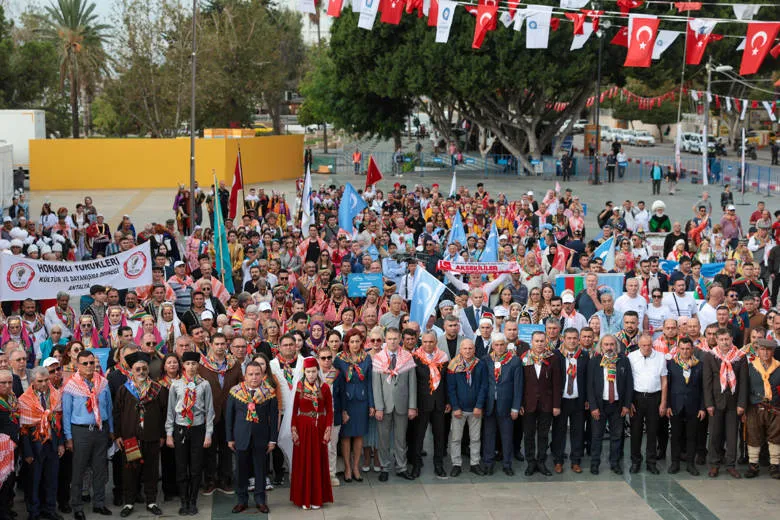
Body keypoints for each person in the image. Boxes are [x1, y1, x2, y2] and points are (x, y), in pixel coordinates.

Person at [113, 352, 166, 517]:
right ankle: (129, 503)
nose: (141, 372)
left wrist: (163, 434)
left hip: (152, 436)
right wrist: (118, 435)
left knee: (151, 470)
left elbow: (164, 413)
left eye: (144, 368)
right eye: (138, 369)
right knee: (130, 470)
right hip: (130, 438)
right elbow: (117, 413)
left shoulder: (158, 389)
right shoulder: (124, 389)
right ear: (132, 371)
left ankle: (151, 501)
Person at [62, 350, 113, 520]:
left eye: (92, 363)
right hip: (80, 431)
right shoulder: (70, 385)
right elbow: (66, 414)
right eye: (85, 363)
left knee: (100, 469)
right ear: (77, 365)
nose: (89, 366)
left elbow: (109, 409)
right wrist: (68, 437)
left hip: (100, 429)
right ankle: (77, 506)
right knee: (79, 470)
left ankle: (99, 503)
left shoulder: (103, 383)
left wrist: (111, 430)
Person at [225, 361, 278, 514]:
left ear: (263, 375)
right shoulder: (235, 392)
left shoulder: (269, 392)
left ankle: (261, 500)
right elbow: (229, 417)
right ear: (244, 376)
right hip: (240, 438)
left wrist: (273, 439)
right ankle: (242, 500)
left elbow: (274, 418)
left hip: (261, 438)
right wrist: (230, 438)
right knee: (240, 470)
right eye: (251, 374)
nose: (254, 377)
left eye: (257, 374)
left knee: (261, 470)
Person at [165, 351, 214, 516]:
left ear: (198, 365)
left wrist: (208, 434)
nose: (191, 367)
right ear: (183, 366)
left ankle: (193, 500)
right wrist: (169, 434)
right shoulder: (176, 385)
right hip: (180, 429)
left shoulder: (204, 384)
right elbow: (171, 412)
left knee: (196, 467)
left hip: (198, 428)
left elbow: (210, 411)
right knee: (181, 467)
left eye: (194, 363)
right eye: (188, 364)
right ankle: (183, 500)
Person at [198, 333, 243, 494]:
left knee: (227, 449)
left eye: (223, 344)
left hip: (229, 414)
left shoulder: (234, 364)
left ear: (227, 345)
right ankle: (210, 480)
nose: (220, 347)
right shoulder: (202, 365)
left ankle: (225, 480)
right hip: (208, 414)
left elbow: (240, 387)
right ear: (210, 344)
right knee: (209, 450)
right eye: (216, 344)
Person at [371, 327, 417, 482]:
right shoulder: (378, 358)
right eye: (390, 338)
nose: (392, 341)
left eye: (395, 338)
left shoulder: (407, 357)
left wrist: (412, 406)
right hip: (384, 405)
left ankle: (401, 467)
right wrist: (378, 407)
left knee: (400, 438)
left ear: (400, 340)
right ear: (385, 339)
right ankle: (384, 466)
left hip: (402, 404)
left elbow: (412, 384)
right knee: (383, 439)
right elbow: (376, 386)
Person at [19, 366, 64, 520]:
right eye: (40, 381)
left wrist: (60, 444)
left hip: (52, 445)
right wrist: (27, 453)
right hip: (34, 447)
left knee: (51, 480)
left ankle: (50, 510)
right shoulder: (24, 400)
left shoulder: (56, 395)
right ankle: (34, 512)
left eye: (46, 380)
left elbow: (59, 422)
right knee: (34, 482)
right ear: (33, 381)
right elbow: (23, 429)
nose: (44, 384)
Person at [703, 328, 748, 479]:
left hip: (733, 403)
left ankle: (730, 465)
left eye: (727, 339)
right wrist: (708, 403)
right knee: (715, 435)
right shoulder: (710, 356)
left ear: (731, 340)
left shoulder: (740, 357)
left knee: (731, 435)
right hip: (716, 402)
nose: (724, 342)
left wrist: (741, 403)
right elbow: (707, 382)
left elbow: (743, 383)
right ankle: (714, 464)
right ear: (716, 340)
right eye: (721, 339)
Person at [290, 357, 333, 510]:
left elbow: (329, 411)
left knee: (318, 461)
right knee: (303, 461)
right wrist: (294, 429)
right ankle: (303, 498)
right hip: (303, 428)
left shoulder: (325, 388)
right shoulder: (300, 387)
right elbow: (294, 410)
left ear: (318, 371)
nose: (311, 374)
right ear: (304, 372)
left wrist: (328, 429)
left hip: (319, 427)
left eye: (314, 371)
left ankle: (317, 497)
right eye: (308, 372)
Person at [587, 335, 633, 475]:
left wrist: (626, 405)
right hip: (600, 405)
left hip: (618, 405)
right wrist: (593, 406)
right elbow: (590, 386)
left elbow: (629, 384)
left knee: (617, 435)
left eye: (612, 344)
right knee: (596, 436)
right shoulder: (595, 361)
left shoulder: (623, 360)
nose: (609, 347)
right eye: (606, 344)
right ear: (601, 346)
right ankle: (595, 463)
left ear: (616, 346)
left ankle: (615, 463)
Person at [334, 329, 374, 482]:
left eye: (358, 341)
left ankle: (356, 467)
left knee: (358, 435)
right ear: (347, 343)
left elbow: (369, 382)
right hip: (346, 402)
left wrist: (371, 404)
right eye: (352, 341)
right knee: (345, 436)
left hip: (362, 402)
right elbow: (338, 383)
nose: (355, 344)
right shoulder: (340, 359)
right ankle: (347, 468)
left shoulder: (366, 358)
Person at [520, 331, 561, 476]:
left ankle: (541, 462)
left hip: (547, 404)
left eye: (542, 341)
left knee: (543, 434)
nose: (539, 344)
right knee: (529, 434)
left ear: (546, 342)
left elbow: (557, 383)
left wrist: (556, 405)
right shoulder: (524, 358)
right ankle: (531, 462)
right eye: (536, 341)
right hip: (528, 403)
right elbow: (520, 384)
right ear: (531, 342)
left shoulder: (552, 358)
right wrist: (520, 404)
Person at [482, 333, 523, 476]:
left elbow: (518, 386)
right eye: (496, 345)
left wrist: (515, 407)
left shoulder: (515, 361)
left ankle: (507, 464)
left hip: (506, 406)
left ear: (506, 345)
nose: (499, 347)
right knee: (489, 435)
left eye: (502, 344)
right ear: (492, 346)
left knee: (507, 436)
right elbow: (483, 384)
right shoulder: (486, 360)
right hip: (489, 405)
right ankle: (488, 463)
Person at [411, 332, 450, 479]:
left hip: (439, 404)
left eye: (431, 342)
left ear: (436, 342)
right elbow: (412, 383)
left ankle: (438, 465)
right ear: (422, 342)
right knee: (418, 436)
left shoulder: (443, 357)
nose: (428, 344)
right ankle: (416, 465)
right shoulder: (415, 358)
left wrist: (448, 401)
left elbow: (447, 382)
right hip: (421, 404)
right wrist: (412, 405)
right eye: (425, 342)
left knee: (439, 436)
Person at [446, 338, 488, 477]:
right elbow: (451, 389)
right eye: (465, 348)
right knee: (456, 438)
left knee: (475, 438)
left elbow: (484, 386)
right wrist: (455, 407)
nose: (468, 351)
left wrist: (479, 405)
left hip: (475, 409)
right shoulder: (453, 366)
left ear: (474, 350)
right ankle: (456, 464)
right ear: (460, 350)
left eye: (470, 348)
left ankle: (474, 463)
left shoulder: (480, 365)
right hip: (459, 409)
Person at [551, 328, 589, 474]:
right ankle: (558, 460)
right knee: (558, 431)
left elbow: (588, 380)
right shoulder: (556, 355)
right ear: (563, 339)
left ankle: (576, 461)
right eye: (569, 338)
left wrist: (587, 399)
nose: (572, 341)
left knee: (578, 431)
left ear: (578, 339)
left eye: (575, 338)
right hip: (561, 400)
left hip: (578, 400)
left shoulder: (584, 356)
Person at [666, 337, 705, 476]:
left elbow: (703, 389)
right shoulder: (671, 364)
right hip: (676, 405)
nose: (685, 351)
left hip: (693, 407)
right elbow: (668, 386)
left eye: (687, 348)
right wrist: (668, 405)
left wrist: (702, 407)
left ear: (692, 349)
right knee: (675, 436)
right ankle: (675, 463)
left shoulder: (699, 365)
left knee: (692, 436)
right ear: (678, 349)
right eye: (682, 348)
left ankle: (690, 464)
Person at [269, 334, 304, 486]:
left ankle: (298, 470)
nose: (289, 347)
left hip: (300, 410)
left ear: (296, 346)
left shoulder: (304, 362)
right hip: (281, 410)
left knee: (299, 441)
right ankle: (279, 472)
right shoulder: (272, 365)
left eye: (291, 344)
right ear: (279, 347)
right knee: (278, 442)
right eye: (285, 345)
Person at [743, 339, 780, 479]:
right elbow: (745, 389)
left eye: (768, 350)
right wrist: (744, 408)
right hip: (755, 406)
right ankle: (753, 465)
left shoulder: (779, 367)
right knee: (753, 435)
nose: (765, 352)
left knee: (776, 436)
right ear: (757, 351)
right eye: (762, 349)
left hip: (775, 407)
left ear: (773, 351)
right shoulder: (750, 367)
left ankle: (775, 465)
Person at [0, 369, 19, 520]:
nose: (7, 385)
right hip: (1, 450)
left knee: (10, 480)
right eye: (3, 383)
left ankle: (6, 508)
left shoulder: (13, 398)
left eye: (10, 382)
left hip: (13, 447)